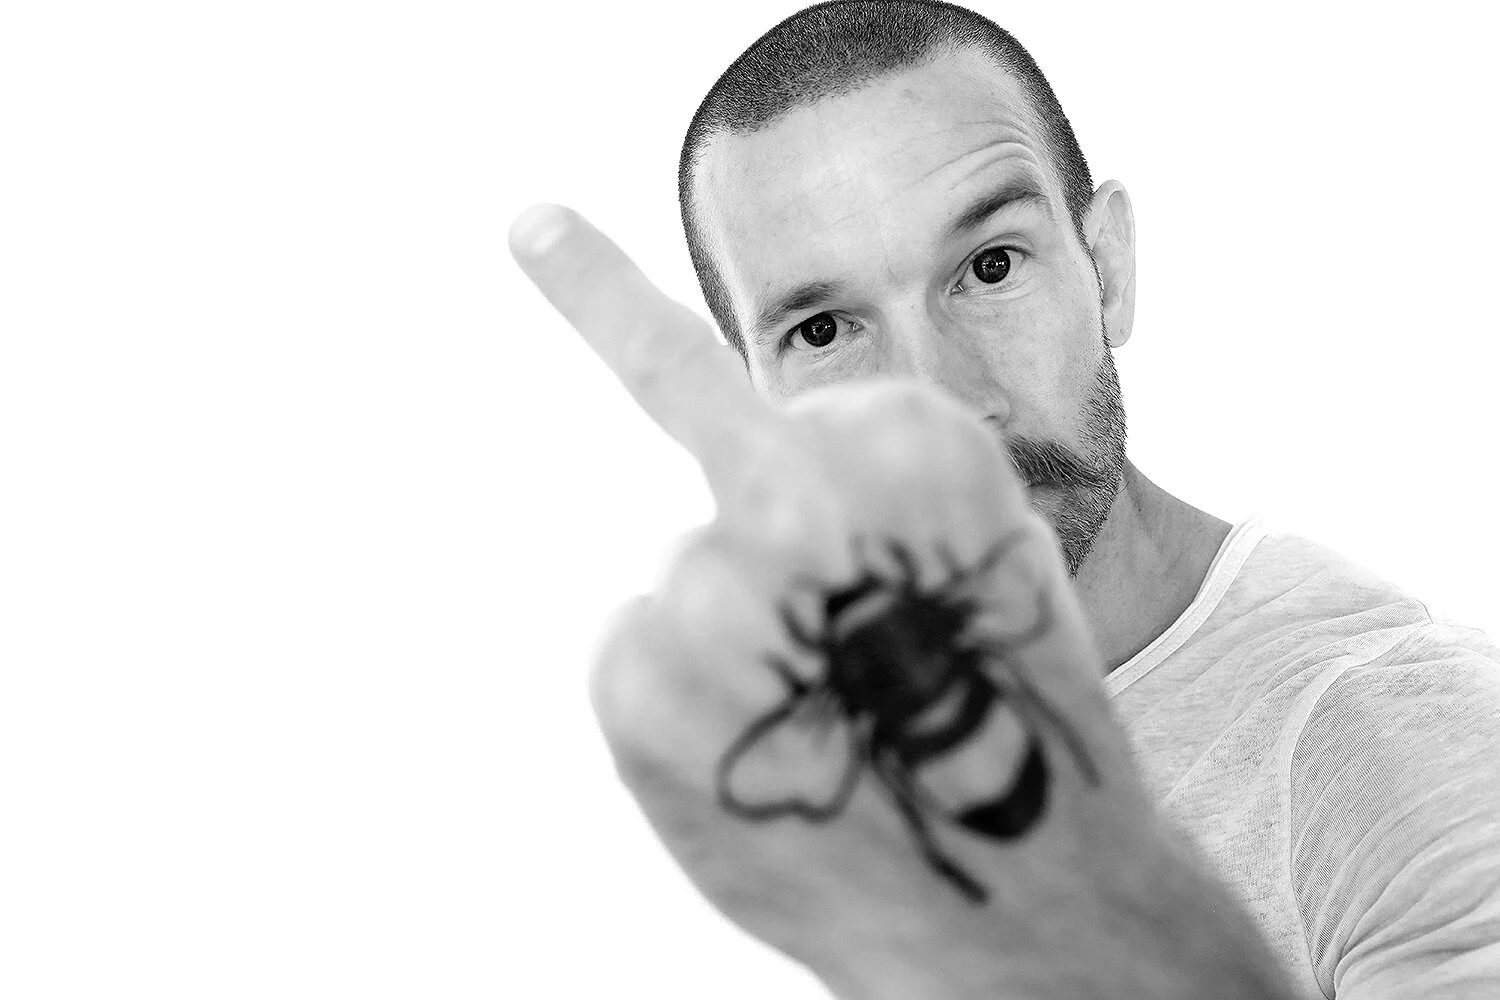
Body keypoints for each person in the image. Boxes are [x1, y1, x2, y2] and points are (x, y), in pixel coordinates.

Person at [510, 1, 1500, 996]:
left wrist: (1073, 915)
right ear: (756, 394)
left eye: (991, 267)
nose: (943, 406)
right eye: (822, 332)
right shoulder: (817, 775)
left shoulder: (1410, 745)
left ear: (1106, 266)